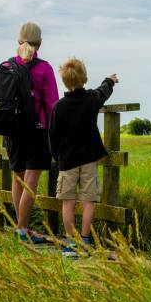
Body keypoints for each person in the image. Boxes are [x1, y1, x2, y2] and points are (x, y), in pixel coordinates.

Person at [48, 57, 118, 257]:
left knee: (67, 202)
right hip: (89, 159)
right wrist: (110, 80)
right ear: (85, 79)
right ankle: (85, 240)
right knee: (89, 201)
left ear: (64, 81)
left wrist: (58, 157)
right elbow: (103, 91)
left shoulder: (59, 107)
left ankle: (71, 243)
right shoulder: (91, 99)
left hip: (67, 161)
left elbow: (52, 136)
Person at [5, 22, 59, 243]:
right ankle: (21, 229)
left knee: (18, 178)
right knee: (31, 181)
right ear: (40, 43)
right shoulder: (43, 68)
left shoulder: (6, 65)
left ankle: (21, 228)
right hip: (37, 131)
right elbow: (52, 104)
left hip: (12, 132)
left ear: (18, 41)